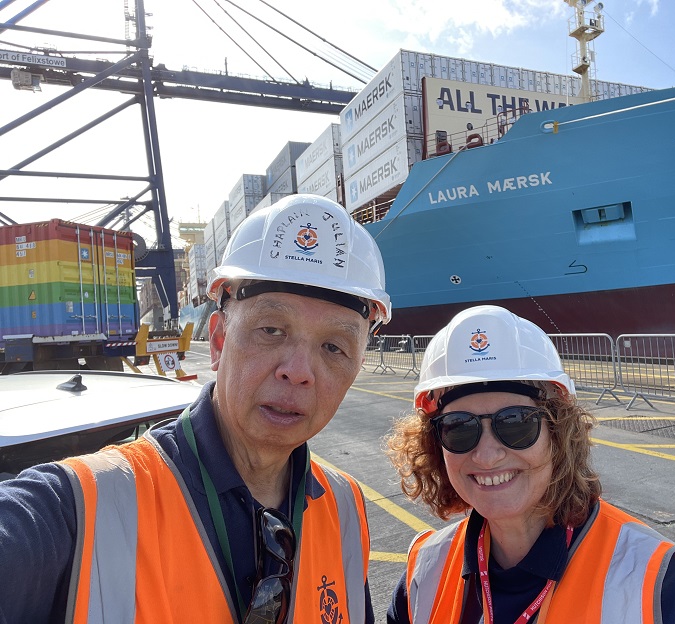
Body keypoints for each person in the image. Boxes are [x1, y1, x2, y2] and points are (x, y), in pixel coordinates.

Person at [0, 194, 391, 624]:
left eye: (333, 347)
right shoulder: (78, 509)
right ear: (220, 341)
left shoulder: (345, 506)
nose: (298, 372)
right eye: (271, 329)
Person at [386, 305, 675, 624]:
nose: (487, 454)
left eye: (516, 423)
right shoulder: (424, 573)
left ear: (559, 433)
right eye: (459, 428)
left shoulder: (674, 592)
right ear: (436, 444)